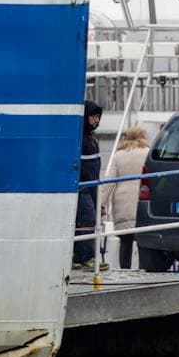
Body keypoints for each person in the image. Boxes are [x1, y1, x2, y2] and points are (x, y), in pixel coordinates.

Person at [102, 124, 151, 271]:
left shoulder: (119, 155)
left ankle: (124, 270)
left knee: (125, 243)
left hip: (122, 203)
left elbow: (108, 183)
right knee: (144, 243)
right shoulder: (148, 153)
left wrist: (101, 204)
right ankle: (144, 270)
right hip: (142, 202)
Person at [75, 101, 103, 267]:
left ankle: (81, 256)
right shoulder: (80, 138)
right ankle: (86, 257)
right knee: (87, 219)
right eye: (93, 117)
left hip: (93, 186)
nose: (97, 120)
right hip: (83, 186)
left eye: (98, 117)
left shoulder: (93, 138)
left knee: (91, 220)